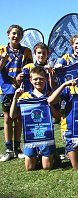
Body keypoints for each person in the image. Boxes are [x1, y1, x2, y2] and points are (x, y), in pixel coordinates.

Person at [9, 67, 60, 170]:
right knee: (29, 168)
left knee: (47, 167)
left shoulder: (50, 95)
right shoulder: (25, 96)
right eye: (35, 79)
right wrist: (15, 98)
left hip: (46, 136)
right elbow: (12, 115)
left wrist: (49, 105)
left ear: (46, 79)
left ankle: (52, 155)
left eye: (41, 79)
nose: (38, 81)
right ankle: (37, 155)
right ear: (31, 81)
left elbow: (58, 117)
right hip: (30, 136)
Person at [0, 24, 33, 161]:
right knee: (7, 117)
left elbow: (30, 67)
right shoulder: (2, 49)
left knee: (19, 118)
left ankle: (17, 147)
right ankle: (8, 149)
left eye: (19, 34)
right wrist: (2, 59)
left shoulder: (26, 51)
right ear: (8, 34)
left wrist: (22, 74)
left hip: (21, 88)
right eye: (13, 33)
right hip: (5, 88)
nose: (16, 36)